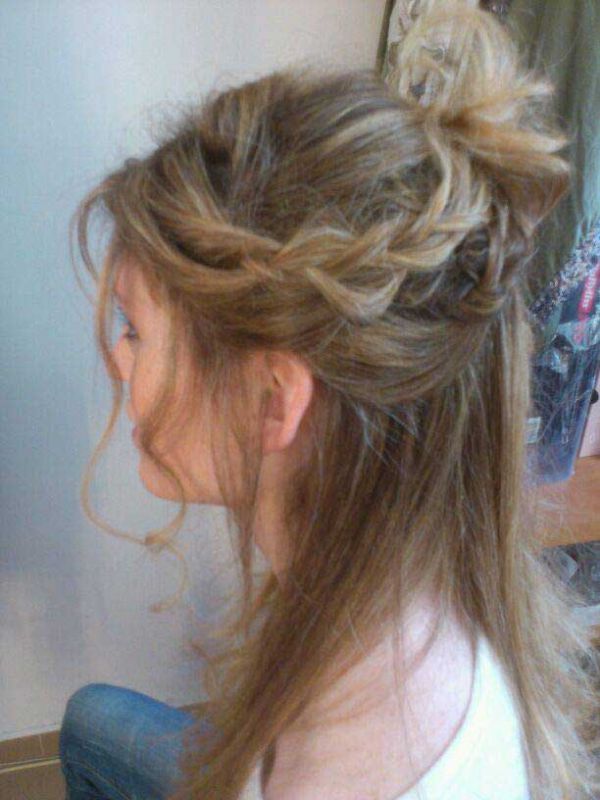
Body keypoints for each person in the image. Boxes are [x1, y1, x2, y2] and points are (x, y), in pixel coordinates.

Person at [59, 1, 600, 798]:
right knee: (90, 721)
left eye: (135, 330)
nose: (116, 359)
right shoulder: (416, 557)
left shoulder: (331, 774)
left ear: (272, 400)